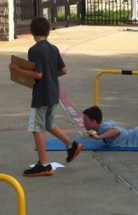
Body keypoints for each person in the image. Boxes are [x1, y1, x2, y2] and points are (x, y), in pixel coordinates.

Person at [9, 16, 83, 177]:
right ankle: (71, 146)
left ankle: (43, 164)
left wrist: (17, 70)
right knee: (49, 124)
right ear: (48, 31)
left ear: (31, 31)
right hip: (53, 93)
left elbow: (38, 74)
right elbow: (63, 70)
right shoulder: (53, 48)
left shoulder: (35, 50)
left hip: (41, 94)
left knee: (36, 129)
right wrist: (51, 75)